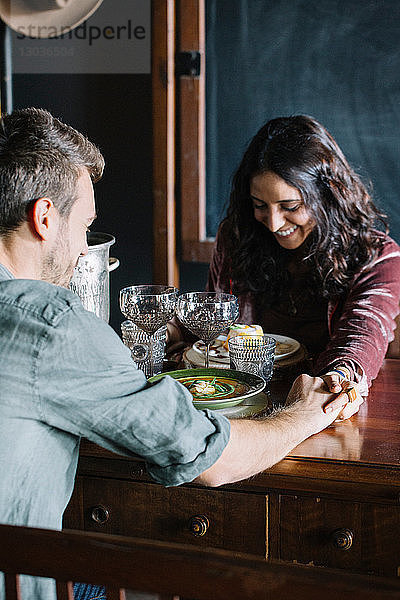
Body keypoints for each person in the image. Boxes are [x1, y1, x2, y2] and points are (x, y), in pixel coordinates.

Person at [0, 108, 352, 600]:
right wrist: (302, 414)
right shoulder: (52, 323)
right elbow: (211, 459)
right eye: (85, 225)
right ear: (43, 218)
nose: (84, 248)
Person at [206, 115, 400, 407]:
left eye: (290, 206)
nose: (272, 223)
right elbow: (216, 326)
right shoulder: (236, 236)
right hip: (242, 402)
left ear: (327, 194)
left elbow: (363, 334)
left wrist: (341, 375)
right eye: (260, 206)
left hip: (320, 403)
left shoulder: (377, 255)